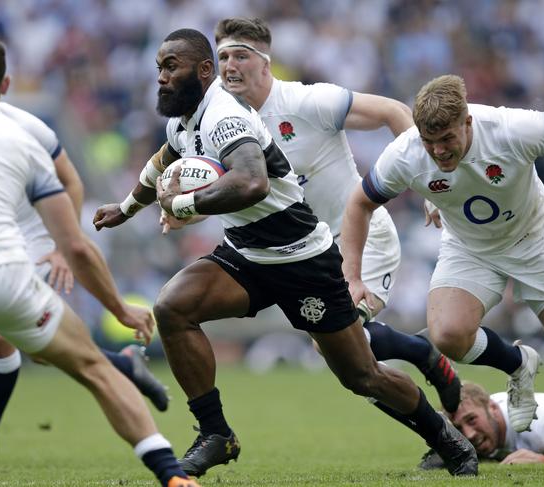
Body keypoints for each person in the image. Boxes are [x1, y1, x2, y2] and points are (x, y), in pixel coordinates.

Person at [94, 28, 478, 478]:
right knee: (173, 307)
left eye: (171, 67)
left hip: (301, 258)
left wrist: (183, 203)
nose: (161, 77)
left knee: (362, 376)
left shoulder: (225, 115)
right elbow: (163, 158)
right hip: (247, 253)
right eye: (159, 67)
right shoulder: (184, 117)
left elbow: (251, 181)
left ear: (202, 71)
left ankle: (447, 440)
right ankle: (215, 432)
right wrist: (126, 208)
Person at [0, 35, 197, 487]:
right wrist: (120, 308)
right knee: (92, 367)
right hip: (4, 278)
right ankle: (171, 475)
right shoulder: (23, 137)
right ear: (6, 84)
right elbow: (75, 245)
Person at [207, 17, 460, 413]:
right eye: (223, 56)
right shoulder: (222, 121)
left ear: (265, 63)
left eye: (241, 55)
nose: (229, 66)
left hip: (358, 239)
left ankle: (435, 386)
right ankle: (424, 360)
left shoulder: (306, 102)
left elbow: (394, 111)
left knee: (347, 349)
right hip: (303, 251)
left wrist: (427, 184)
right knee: (339, 353)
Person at [340, 74, 544, 434]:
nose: (438, 151)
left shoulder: (512, 128)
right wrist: (353, 278)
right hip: (468, 247)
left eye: (447, 139)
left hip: (533, 239)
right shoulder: (405, 153)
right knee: (447, 335)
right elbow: (359, 204)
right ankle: (517, 364)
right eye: (429, 141)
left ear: (468, 122)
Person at [419, 381, 544, 467]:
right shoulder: (484, 413)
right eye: (459, 428)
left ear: (493, 408)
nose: (469, 434)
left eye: (472, 420)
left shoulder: (543, 423)